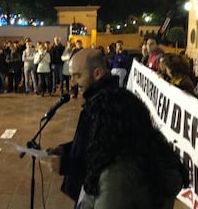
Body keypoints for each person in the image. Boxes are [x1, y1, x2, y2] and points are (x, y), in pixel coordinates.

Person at [46, 48, 188, 208]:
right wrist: (66, 149)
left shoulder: (109, 107)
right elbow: (91, 140)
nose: (72, 82)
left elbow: (101, 151)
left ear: (97, 72)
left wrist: (67, 166)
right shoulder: (107, 103)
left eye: (77, 76)